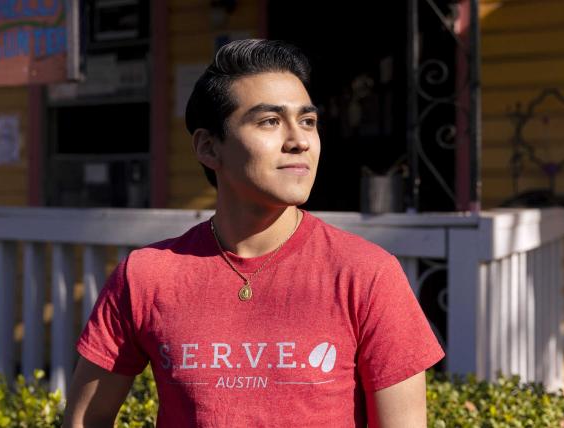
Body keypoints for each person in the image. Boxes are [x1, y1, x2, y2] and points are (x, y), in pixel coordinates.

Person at [63, 39, 443, 427]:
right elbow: (84, 419)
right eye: (270, 121)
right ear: (209, 147)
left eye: (308, 121)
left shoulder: (366, 274)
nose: (299, 141)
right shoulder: (146, 277)